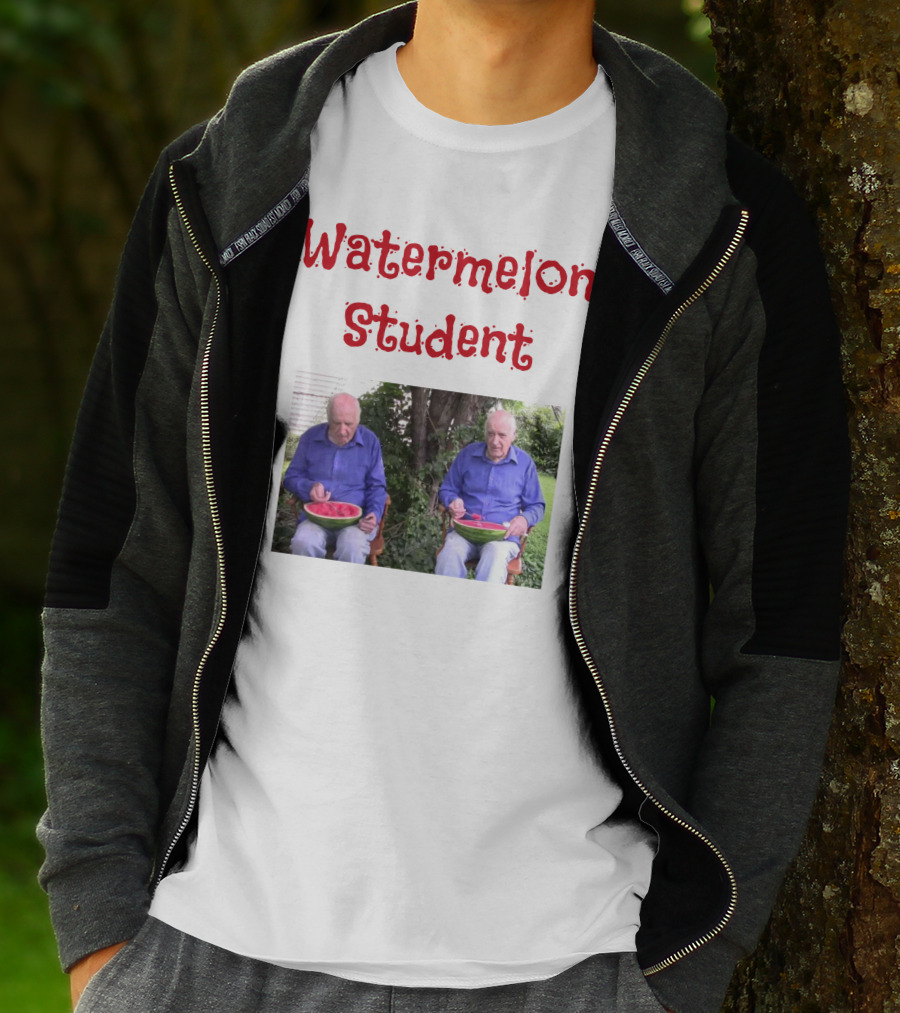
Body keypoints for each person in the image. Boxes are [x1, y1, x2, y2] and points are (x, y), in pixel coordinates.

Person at [38, 2, 849, 1013]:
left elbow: (782, 624)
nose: (500, 440)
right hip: (204, 956)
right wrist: (101, 927)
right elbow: (113, 570)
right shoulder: (226, 181)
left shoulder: (720, 225)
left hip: (570, 967)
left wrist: (682, 968)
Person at [435, 409, 545, 582]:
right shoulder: (467, 455)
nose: (495, 441)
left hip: (502, 538)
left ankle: (484, 607)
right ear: (484, 433)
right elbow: (447, 489)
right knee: (449, 554)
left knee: (494, 557)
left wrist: (525, 520)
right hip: (464, 532)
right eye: (490, 434)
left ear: (514, 435)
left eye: (502, 435)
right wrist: (452, 500)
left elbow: (537, 506)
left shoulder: (525, 464)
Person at [282, 392, 386, 563]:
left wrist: (374, 513)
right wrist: (309, 487)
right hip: (315, 519)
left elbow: (377, 486)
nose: (342, 431)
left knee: (352, 548)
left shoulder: (370, 442)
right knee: (303, 543)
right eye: (336, 423)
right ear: (328, 419)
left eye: (349, 424)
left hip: (356, 522)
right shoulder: (310, 437)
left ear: (357, 421)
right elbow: (291, 477)